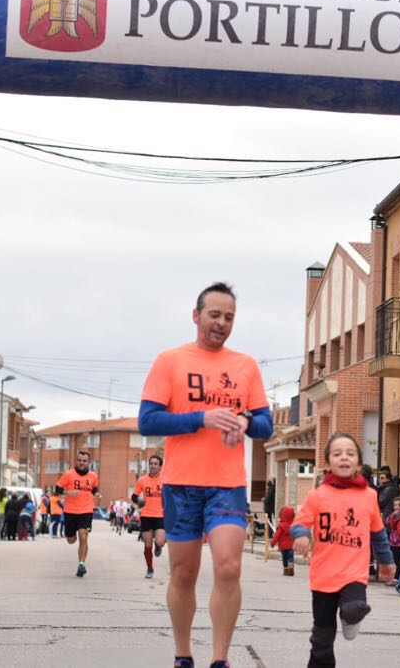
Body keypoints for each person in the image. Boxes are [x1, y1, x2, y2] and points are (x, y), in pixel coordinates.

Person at [138, 281, 273, 668]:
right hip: (181, 484)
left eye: (229, 317)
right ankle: (183, 654)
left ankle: (220, 659)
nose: (222, 323)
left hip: (227, 485)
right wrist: (202, 417)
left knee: (229, 567)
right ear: (196, 316)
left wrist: (245, 420)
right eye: (215, 315)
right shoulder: (170, 360)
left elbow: (266, 425)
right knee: (184, 572)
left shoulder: (244, 365)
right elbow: (148, 420)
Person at [290, 432, 395, 667]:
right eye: (337, 454)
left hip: (354, 573)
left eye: (350, 454)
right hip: (323, 576)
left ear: (358, 462)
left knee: (355, 607)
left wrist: (386, 562)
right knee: (322, 639)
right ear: (327, 463)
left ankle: (351, 617)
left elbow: (378, 533)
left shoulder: (369, 496)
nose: (344, 458)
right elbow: (299, 523)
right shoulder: (317, 496)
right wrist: (301, 536)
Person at [55, 450, 101, 576]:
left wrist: (96, 494)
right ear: (77, 460)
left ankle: (81, 564)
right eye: (80, 460)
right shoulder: (68, 474)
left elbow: (94, 488)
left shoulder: (93, 476)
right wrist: (68, 493)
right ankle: (71, 537)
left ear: (88, 462)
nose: (81, 463)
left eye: (84, 461)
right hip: (70, 511)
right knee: (71, 540)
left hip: (86, 510)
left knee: (83, 534)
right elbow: (57, 489)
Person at [133, 454, 167, 579]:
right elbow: (134, 496)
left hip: (161, 516)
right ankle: (150, 568)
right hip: (146, 515)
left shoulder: (165, 480)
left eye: (155, 464)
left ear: (160, 466)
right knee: (147, 544)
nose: (152, 466)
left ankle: (158, 547)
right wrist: (139, 501)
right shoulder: (142, 480)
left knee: (160, 541)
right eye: (151, 463)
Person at [269, 506, 295, 576]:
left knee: (284, 558)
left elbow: (277, 535)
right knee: (290, 557)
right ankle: (291, 567)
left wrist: (272, 543)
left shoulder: (281, 525)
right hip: (291, 545)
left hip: (283, 547)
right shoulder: (294, 525)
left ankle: (286, 570)